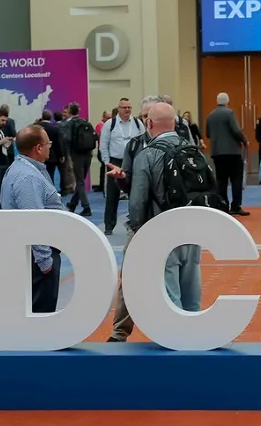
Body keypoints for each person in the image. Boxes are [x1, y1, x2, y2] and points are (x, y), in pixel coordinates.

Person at [129, 102, 202, 313]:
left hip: (162, 227)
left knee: (170, 292)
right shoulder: (192, 150)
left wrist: (137, 230)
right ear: (175, 123)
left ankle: (177, 330)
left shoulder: (147, 155)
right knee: (192, 285)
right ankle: (195, 324)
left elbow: (137, 200)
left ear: (149, 123)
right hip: (193, 227)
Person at [105, 95, 162, 342]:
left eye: (151, 116)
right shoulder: (134, 145)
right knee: (128, 276)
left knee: (168, 275)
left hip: (167, 220)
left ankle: (169, 329)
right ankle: (120, 331)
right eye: (144, 116)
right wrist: (122, 178)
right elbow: (129, 182)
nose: (147, 120)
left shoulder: (176, 144)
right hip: (138, 220)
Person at [0, 125, 66, 312]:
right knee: (40, 313)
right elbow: (33, 222)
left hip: (35, 255)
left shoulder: (24, 168)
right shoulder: (28, 177)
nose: (50, 147)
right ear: (38, 148)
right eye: (48, 144)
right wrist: (45, 262)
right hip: (38, 258)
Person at [100, 98, 145, 235]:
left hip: (133, 161)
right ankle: (109, 226)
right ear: (118, 108)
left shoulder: (137, 123)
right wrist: (107, 162)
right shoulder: (110, 124)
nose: (127, 110)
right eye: (124, 107)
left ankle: (134, 223)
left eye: (129, 107)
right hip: (115, 162)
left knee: (135, 195)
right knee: (112, 196)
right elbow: (103, 144)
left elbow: (144, 142)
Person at [205, 92, 249, 216]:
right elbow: (236, 130)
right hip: (232, 152)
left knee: (221, 180)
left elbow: (207, 133)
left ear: (217, 101)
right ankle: (236, 206)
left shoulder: (210, 115)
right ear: (227, 101)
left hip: (217, 152)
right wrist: (244, 140)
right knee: (236, 179)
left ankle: (223, 205)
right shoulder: (230, 113)